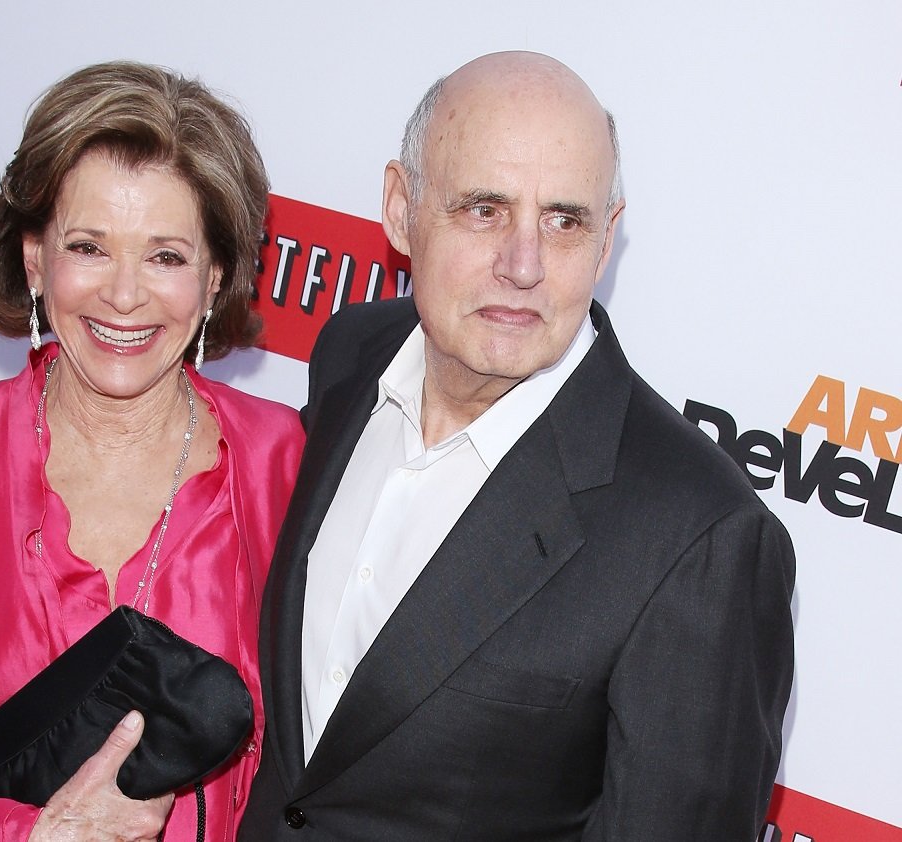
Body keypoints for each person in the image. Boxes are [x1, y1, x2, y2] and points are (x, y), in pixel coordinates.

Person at [240, 51, 795, 840]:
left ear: (606, 244)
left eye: (564, 221)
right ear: (401, 209)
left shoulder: (701, 539)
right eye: (484, 210)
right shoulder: (349, 357)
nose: (523, 265)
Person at [0, 61, 303, 842]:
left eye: (166, 256)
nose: (123, 293)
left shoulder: (285, 458)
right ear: (36, 259)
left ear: (214, 279)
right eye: (88, 246)